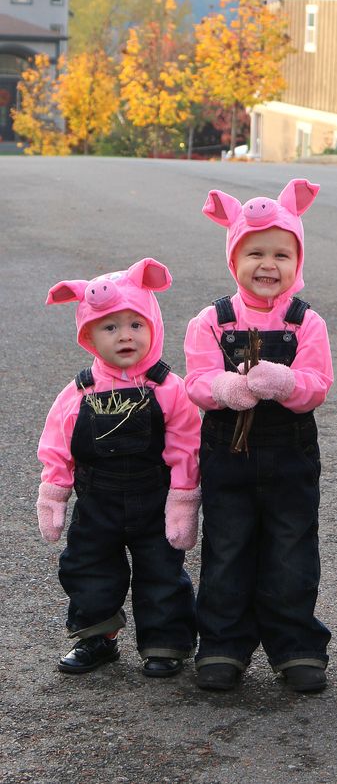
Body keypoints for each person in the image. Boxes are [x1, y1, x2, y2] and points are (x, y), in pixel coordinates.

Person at [184, 179, 332, 694]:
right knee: (227, 547)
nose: (268, 265)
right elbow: (197, 383)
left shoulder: (306, 322)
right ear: (234, 258)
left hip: (289, 452)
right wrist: (226, 387)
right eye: (254, 253)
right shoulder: (212, 321)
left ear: (297, 260)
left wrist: (287, 383)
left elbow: (317, 387)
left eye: (281, 254)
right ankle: (223, 644)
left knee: (291, 548)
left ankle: (295, 646)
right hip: (228, 452)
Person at [37, 258, 201, 678]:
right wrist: (54, 493)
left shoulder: (169, 387)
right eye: (110, 328)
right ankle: (97, 637)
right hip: (98, 502)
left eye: (135, 325)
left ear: (153, 327)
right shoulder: (78, 392)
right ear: (89, 336)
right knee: (88, 568)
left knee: (162, 573)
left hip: (155, 502)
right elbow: (57, 445)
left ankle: (165, 644)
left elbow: (187, 444)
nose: (125, 336)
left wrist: (183, 500)